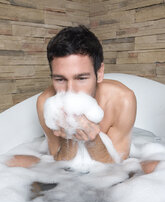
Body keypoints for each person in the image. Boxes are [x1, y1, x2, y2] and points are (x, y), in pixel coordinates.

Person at [7, 25, 158, 173]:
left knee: (155, 167)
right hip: (67, 176)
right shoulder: (45, 102)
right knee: (11, 162)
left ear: (99, 73)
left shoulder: (123, 100)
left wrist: (93, 141)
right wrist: (69, 139)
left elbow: (116, 169)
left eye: (81, 78)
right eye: (60, 79)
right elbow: (59, 166)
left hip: (109, 174)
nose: (70, 91)